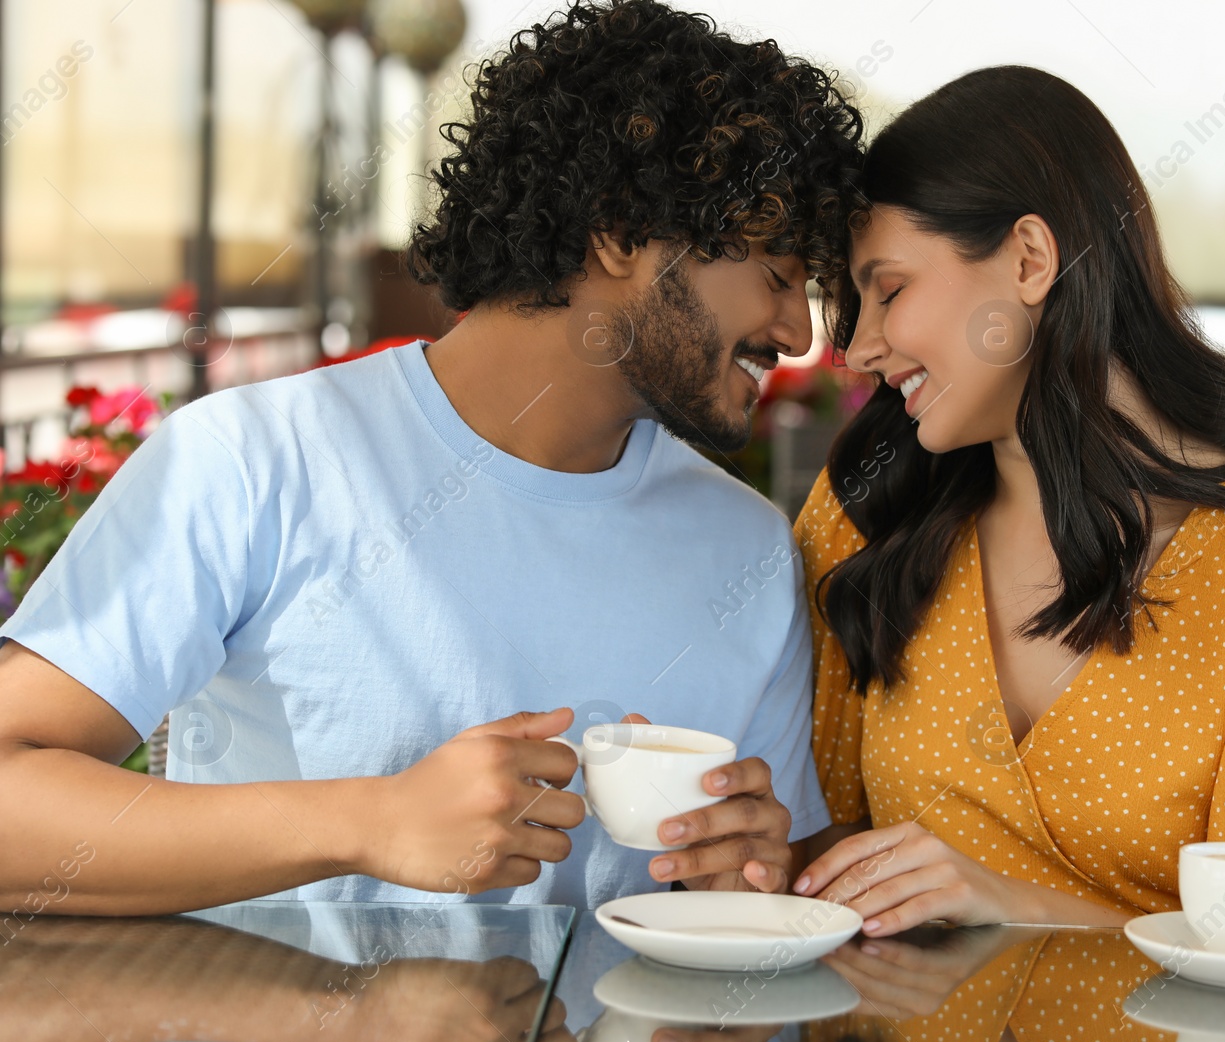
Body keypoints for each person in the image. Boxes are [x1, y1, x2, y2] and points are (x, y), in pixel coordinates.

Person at [0, 0, 868, 914]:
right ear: (619, 234)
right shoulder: (255, 460)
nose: (797, 329)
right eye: (776, 276)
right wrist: (369, 821)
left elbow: (768, 892)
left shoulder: (749, 549)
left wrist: (747, 874)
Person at [792, 66, 1225, 938]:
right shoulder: (865, 523)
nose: (858, 347)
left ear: (1028, 258)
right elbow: (820, 858)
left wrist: (1018, 908)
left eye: (889, 289)